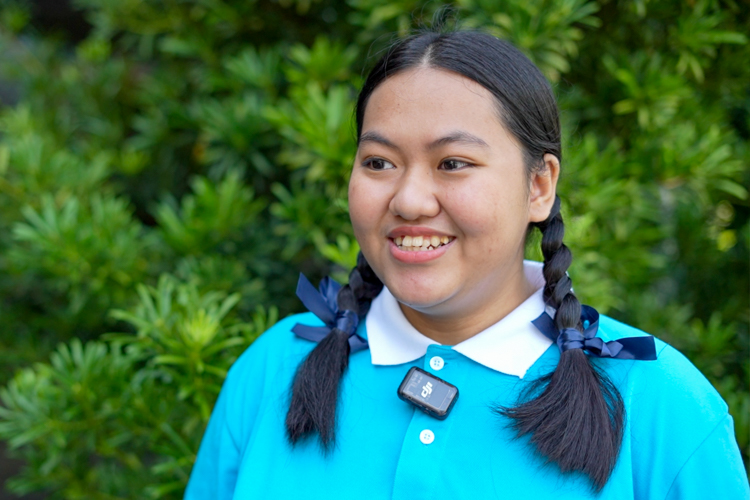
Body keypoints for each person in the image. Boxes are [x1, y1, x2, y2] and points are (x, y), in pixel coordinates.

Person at [184, 28, 750, 499]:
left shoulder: (659, 404)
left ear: (538, 185)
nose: (408, 200)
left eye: (452, 162)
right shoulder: (275, 368)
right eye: (379, 161)